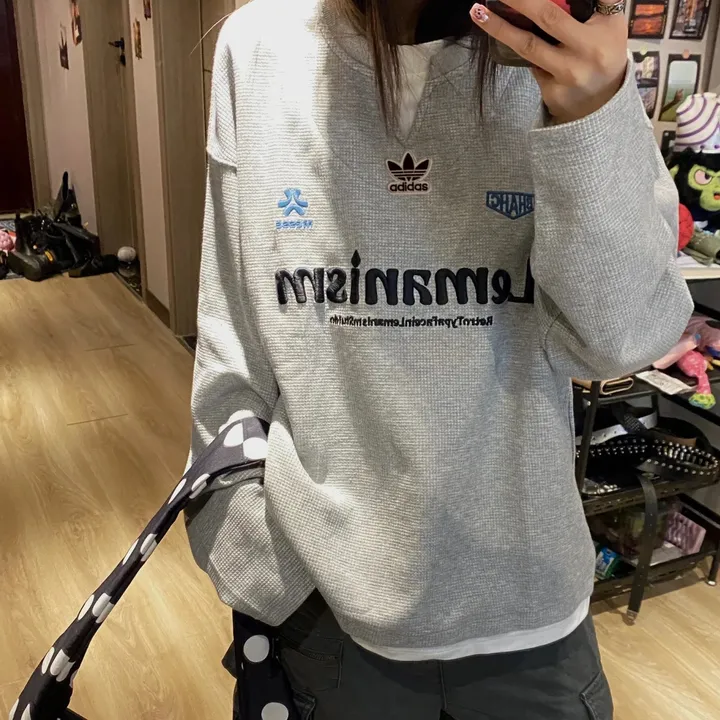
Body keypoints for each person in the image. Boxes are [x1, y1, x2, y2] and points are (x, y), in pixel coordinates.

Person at [184, 0, 693, 718]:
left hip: (532, 615)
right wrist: (261, 564)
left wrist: (589, 117)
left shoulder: (565, 49)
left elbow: (625, 340)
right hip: (326, 617)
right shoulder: (260, 47)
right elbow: (231, 342)